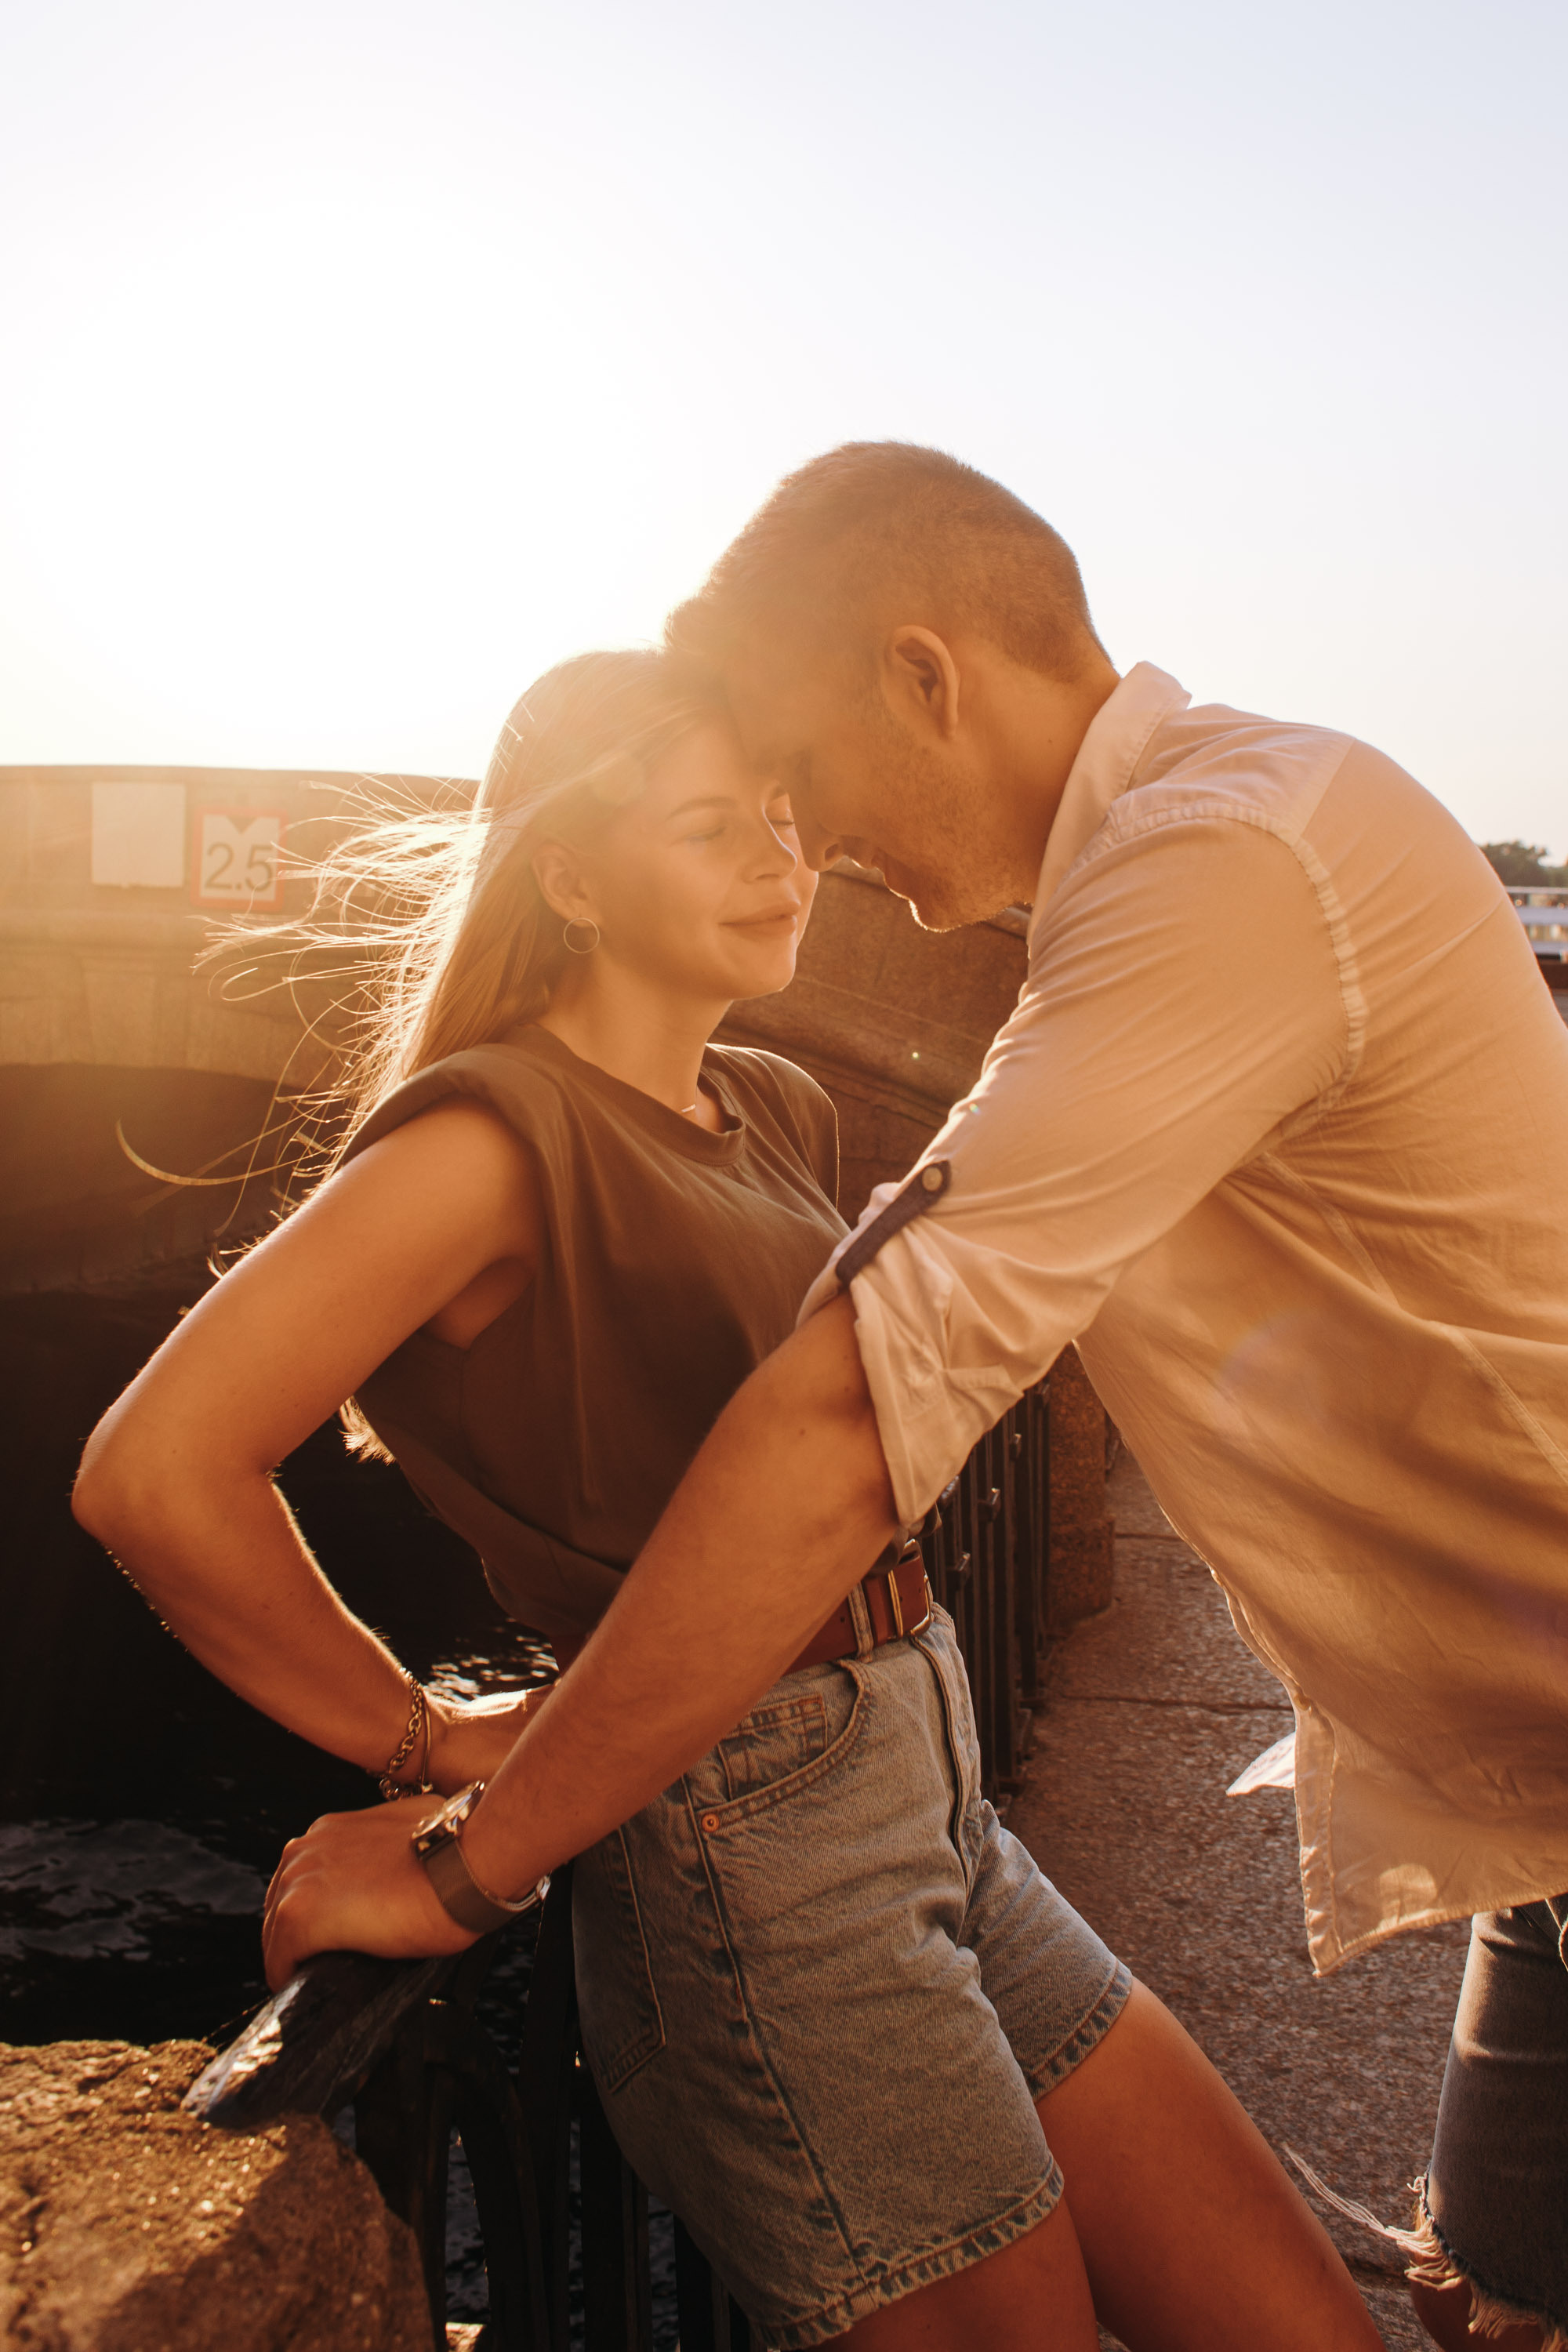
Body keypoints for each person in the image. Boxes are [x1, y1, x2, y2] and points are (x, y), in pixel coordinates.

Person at [227, 446, 1566, 2351]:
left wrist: (471, 1854)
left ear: (922, 678)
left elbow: (859, 1406)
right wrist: (429, 1744)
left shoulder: (1219, 868)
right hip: (1532, 1803)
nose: (805, 833)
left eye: (798, 766)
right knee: (1494, 2311)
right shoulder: (1209, 839)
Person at [74, 644, 1380, 2351]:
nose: (780, 858)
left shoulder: (766, 1102)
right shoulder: (489, 1140)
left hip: (930, 1789)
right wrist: (421, 1742)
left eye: (780, 815)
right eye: (710, 826)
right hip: (758, 1865)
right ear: (569, 875)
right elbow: (155, 1473)